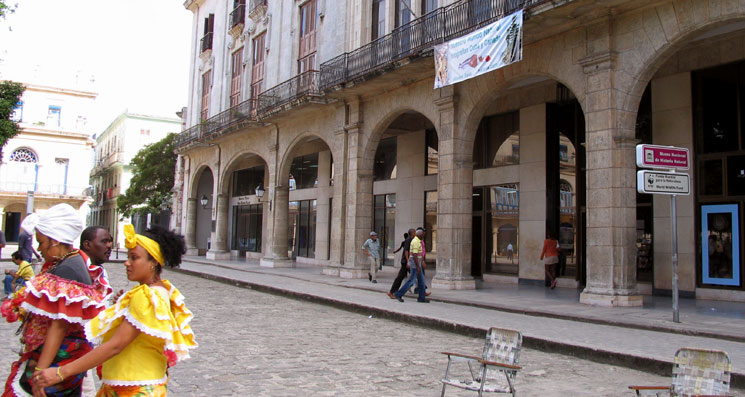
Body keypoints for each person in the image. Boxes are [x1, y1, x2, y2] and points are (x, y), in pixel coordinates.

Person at [34, 224, 197, 396]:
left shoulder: (146, 296)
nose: (127, 262)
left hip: (133, 387)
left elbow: (116, 345)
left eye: (134, 258)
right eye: (128, 257)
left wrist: (61, 372)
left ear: (153, 263)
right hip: (131, 383)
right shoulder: (160, 290)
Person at [2, 204, 113, 397]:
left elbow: (59, 326)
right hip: (57, 357)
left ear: (54, 241)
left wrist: (39, 374)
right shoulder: (66, 262)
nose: (39, 248)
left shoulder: (68, 269)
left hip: (57, 359)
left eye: (41, 242)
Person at [78, 226, 114, 397]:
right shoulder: (76, 271)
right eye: (104, 241)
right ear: (87, 244)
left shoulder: (99, 270)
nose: (110, 246)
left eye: (110, 241)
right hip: (75, 349)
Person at [393, 228, 428, 303]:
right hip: (415, 265)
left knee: (421, 281)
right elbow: (415, 254)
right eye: (423, 234)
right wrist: (418, 266)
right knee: (411, 281)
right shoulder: (415, 242)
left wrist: (421, 262)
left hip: (417, 264)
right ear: (420, 235)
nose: (424, 236)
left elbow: (419, 254)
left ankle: (421, 298)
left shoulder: (418, 241)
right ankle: (399, 294)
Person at [388, 230, 414, 299]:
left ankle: (422, 291)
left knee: (415, 277)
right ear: (412, 233)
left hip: (408, 262)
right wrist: (408, 261)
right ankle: (392, 292)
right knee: (400, 277)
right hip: (406, 263)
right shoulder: (408, 240)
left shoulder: (410, 240)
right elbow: (406, 251)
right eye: (414, 232)